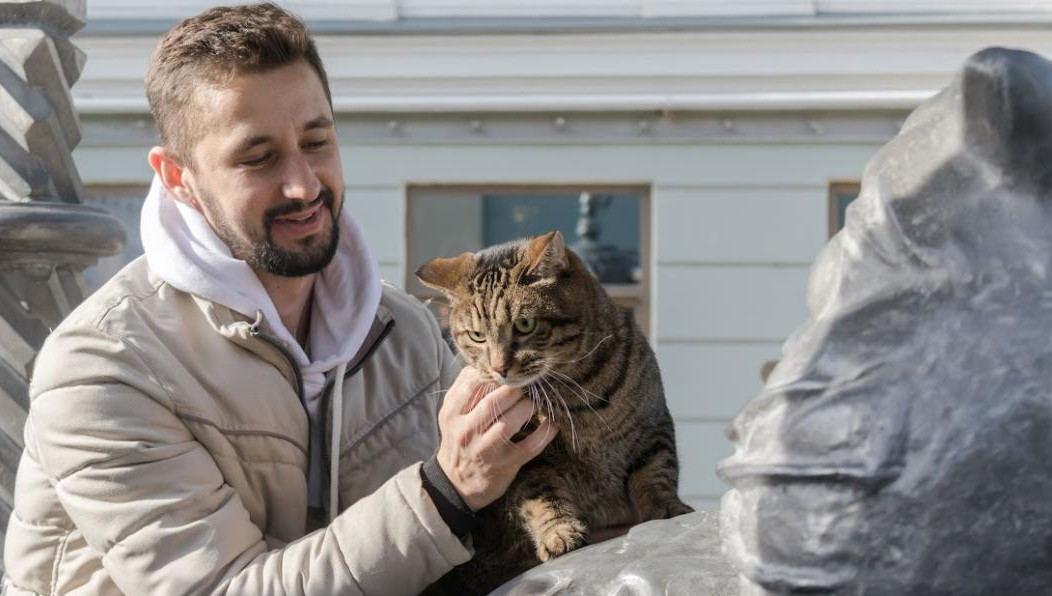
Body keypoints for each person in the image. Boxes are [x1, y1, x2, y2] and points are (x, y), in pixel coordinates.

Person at [2, 3, 556, 594]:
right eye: (258, 158)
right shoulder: (103, 369)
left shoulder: (407, 332)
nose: (303, 185)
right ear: (176, 177)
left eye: (317, 141)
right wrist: (446, 491)